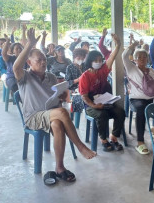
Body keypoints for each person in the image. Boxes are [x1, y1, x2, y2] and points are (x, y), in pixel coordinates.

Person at [14, 28, 96, 181]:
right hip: (33, 117)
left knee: (58, 123)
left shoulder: (51, 77)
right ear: (29, 62)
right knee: (62, 113)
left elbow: (55, 98)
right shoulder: (25, 76)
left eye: (44, 59)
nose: (43, 62)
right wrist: (30, 45)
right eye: (39, 60)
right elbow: (16, 67)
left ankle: (59, 167)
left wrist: (63, 96)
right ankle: (80, 146)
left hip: (50, 114)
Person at [79, 34, 126, 152]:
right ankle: (103, 139)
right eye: (96, 61)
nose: (99, 62)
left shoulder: (102, 71)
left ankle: (113, 137)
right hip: (90, 105)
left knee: (120, 111)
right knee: (102, 115)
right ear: (90, 62)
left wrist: (118, 45)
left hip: (104, 101)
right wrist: (95, 105)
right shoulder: (85, 76)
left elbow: (111, 58)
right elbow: (84, 97)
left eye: (100, 60)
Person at [122, 40, 154, 155]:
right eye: (139, 57)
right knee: (141, 110)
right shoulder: (131, 68)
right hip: (137, 99)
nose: (142, 59)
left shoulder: (151, 70)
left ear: (147, 59)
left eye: (144, 57)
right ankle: (140, 142)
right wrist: (133, 45)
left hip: (152, 97)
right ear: (135, 59)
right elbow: (124, 55)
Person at [65, 48, 88, 113]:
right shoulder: (69, 67)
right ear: (74, 57)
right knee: (82, 99)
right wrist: (78, 80)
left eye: (82, 57)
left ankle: (91, 114)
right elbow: (67, 83)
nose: (81, 59)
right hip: (76, 92)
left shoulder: (85, 66)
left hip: (86, 89)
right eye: (79, 57)